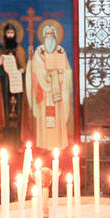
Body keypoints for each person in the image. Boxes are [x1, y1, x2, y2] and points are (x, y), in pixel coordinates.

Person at [27, 19, 74, 151]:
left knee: (57, 118)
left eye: (51, 34)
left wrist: (60, 74)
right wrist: (47, 75)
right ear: (43, 36)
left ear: (55, 35)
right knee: (44, 118)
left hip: (56, 91)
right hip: (44, 90)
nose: (49, 36)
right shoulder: (39, 51)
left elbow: (67, 71)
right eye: (47, 34)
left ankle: (58, 144)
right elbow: (35, 69)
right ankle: (44, 144)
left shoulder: (60, 51)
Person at [0, 21, 27, 146]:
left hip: (17, 87)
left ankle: (17, 139)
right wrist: (0, 64)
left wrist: (21, 70)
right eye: (8, 32)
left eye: (12, 32)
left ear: (15, 34)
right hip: (4, 86)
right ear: (4, 34)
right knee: (5, 112)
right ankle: (5, 138)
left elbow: (24, 66)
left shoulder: (19, 49)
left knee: (17, 112)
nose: (10, 35)